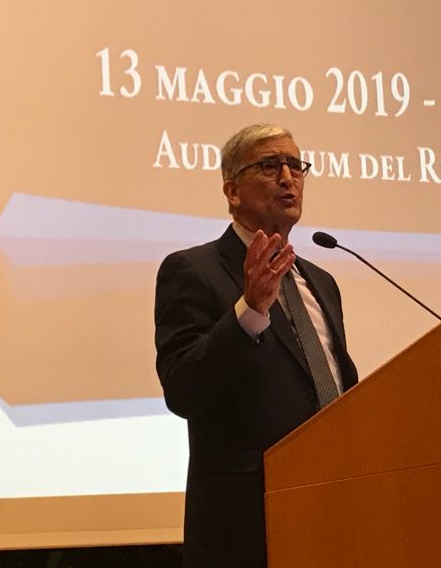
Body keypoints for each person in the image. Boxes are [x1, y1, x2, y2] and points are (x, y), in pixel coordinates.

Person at [154, 123, 358, 568]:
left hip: (333, 509)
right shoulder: (193, 270)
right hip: (247, 526)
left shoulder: (322, 282)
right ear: (232, 191)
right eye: (269, 165)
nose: (288, 177)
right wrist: (249, 310)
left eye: (296, 166)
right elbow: (182, 389)